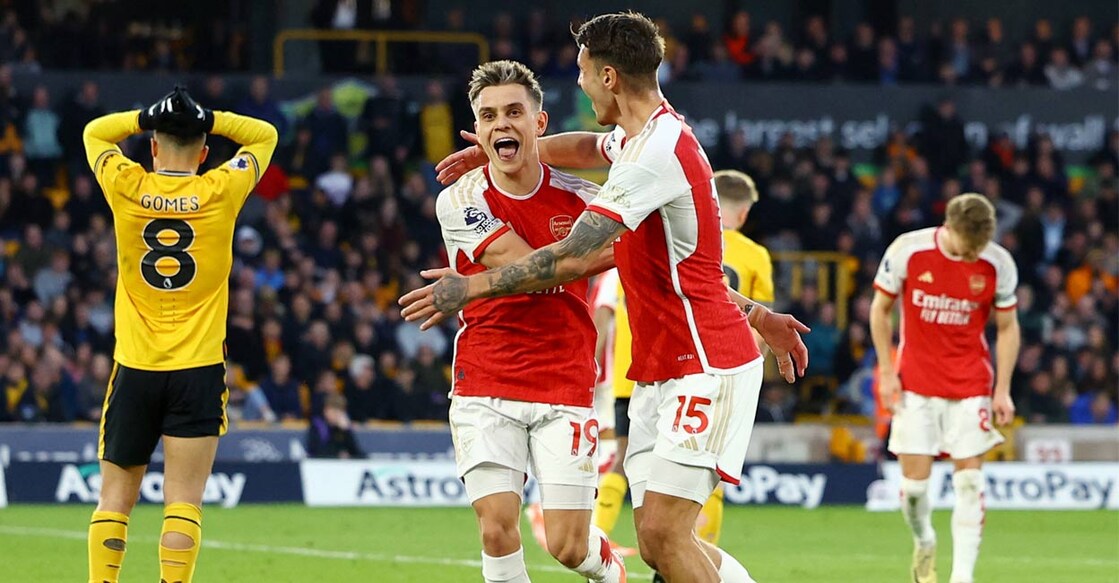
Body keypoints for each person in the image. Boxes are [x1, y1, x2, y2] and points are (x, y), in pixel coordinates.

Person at [402, 12, 809, 583]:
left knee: (665, 534)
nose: (580, 82)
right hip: (661, 363)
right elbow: (594, 151)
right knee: (657, 543)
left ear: (609, 76)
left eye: (583, 71)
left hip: (705, 360)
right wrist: (510, 153)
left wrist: (468, 286)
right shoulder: (637, 138)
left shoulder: (653, 155)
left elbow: (568, 259)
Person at [431, 60, 625, 583]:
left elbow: (637, 252)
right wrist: (586, 256)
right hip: (485, 380)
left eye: (515, 112)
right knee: (496, 527)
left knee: (568, 547)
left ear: (539, 124)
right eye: (488, 115)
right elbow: (519, 265)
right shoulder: (461, 199)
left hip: (564, 383)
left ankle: (611, 571)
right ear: (478, 126)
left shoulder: (583, 200)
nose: (502, 125)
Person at [83, 86, 277, 583]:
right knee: (184, 502)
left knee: (113, 503)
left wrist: (142, 114)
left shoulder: (124, 183)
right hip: (197, 370)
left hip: (136, 366)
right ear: (206, 151)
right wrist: (211, 115)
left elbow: (95, 132)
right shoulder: (220, 189)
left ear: (151, 145)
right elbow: (264, 135)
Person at [593, 170, 775, 582]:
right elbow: (755, 330)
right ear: (743, 213)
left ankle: (605, 541)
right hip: (704, 374)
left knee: (648, 499)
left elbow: (604, 312)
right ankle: (665, 558)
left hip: (646, 370)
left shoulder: (670, 237)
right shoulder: (752, 255)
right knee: (682, 504)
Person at [870, 193, 1020, 583]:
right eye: (968, 247)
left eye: (979, 248)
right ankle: (925, 540)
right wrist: (887, 372)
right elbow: (879, 310)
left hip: (971, 383)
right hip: (915, 385)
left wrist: (1002, 389)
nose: (974, 255)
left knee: (970, 481)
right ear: (949, 228)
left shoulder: (998, 263)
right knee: (915, 490)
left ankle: (962, 577)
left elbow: (1007, 327)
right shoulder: (908, 250)